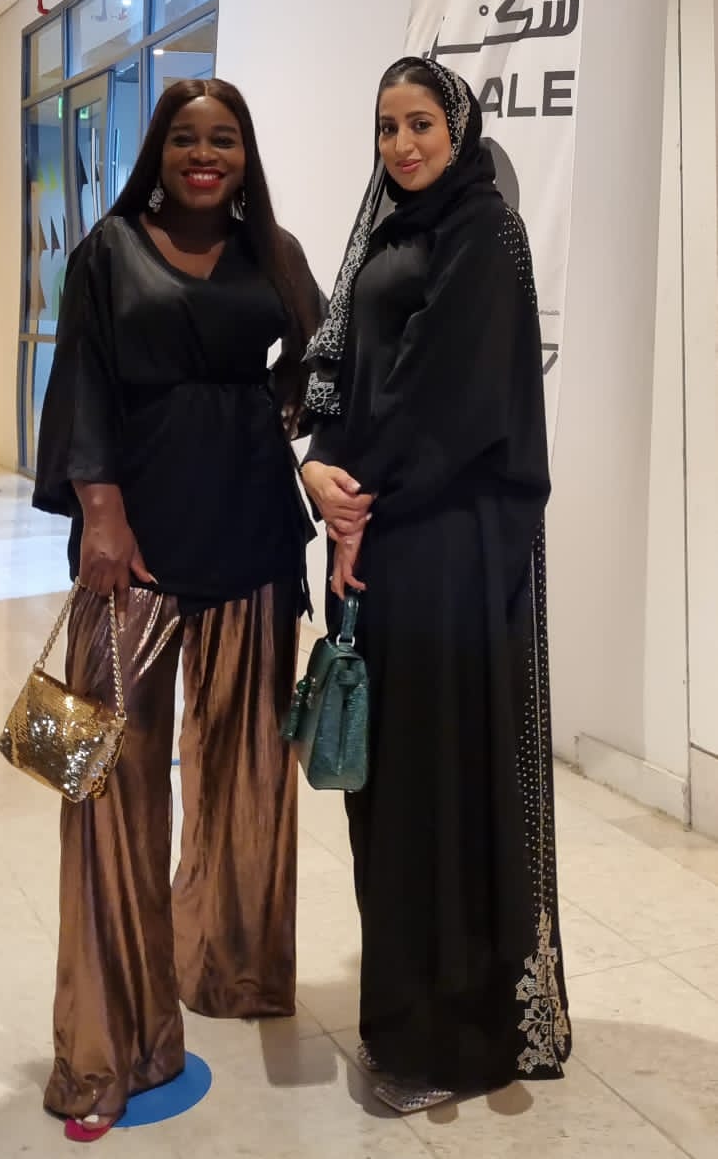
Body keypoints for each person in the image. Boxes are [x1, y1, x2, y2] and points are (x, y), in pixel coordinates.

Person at [32, 77, 322, 1143]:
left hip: (253, 534)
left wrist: (277, 408)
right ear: (158, 151)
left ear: (244, 156)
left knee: (246, 770)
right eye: (186, 139)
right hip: (135, 548)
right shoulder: (106, 251)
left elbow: (323, 355)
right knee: (104, 787)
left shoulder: (271, 252)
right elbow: (81, 385)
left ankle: (231, 967)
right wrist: (100, 513)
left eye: (224, 140)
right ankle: (109, 1045)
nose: (205, 155)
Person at [300, 56, 572, 1113]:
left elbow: (441, 398)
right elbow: (340, 371)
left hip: (444, 548)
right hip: (374, 539)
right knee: (388, 789)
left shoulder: (484, 233)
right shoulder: (380, 232)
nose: (402, 144)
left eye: (420, 123)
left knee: (441, 777)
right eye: (386, 127)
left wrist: (355, 501)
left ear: (458, 127)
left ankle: (455, 1036)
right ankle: (402, 1016)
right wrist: (318, 473)